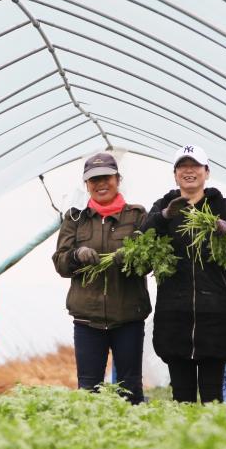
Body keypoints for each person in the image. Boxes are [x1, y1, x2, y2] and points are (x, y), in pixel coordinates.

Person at [142, 145, 226, 403]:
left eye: (195, 166)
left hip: (215, 314)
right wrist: (164, 217)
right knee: (182, 397)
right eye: (183, 167)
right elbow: (142, 239)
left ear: (206, 172)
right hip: (174, 315)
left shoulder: (223, 206)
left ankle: (213, 442)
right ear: (175, 175)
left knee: (212, 396)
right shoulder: (164, 205)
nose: (189, 171)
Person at [52, 152, 151, 403]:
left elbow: (149, 262)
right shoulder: (75, 219)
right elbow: (61, 262)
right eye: (94, 180)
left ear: (118, 179)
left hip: (128, 315)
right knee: (88, 390)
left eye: (106, 177)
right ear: (86, 185)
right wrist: (77, 255)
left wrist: (131, 258)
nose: (100, 184)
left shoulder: (137, 216)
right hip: (88, 319)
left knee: (129, 388)